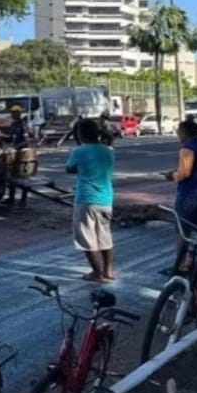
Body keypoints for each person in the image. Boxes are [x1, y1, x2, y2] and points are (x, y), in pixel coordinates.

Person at [65, 119, 116, 282]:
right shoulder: (108, 150)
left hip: (86, 199)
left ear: (80, 135)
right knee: (105, 235)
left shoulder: (78, 152)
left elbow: (69, 168)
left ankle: (96, 273)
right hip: (106, 199)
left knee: (88, 238)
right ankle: (108, 271)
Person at [164, 119, 197, 273]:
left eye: (179, 131)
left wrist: (172, 175)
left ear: (185, 133)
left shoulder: (187, 149)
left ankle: (181, 264)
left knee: (182, 229)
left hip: (190, 193)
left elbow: (185, 173)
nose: (177, 135)